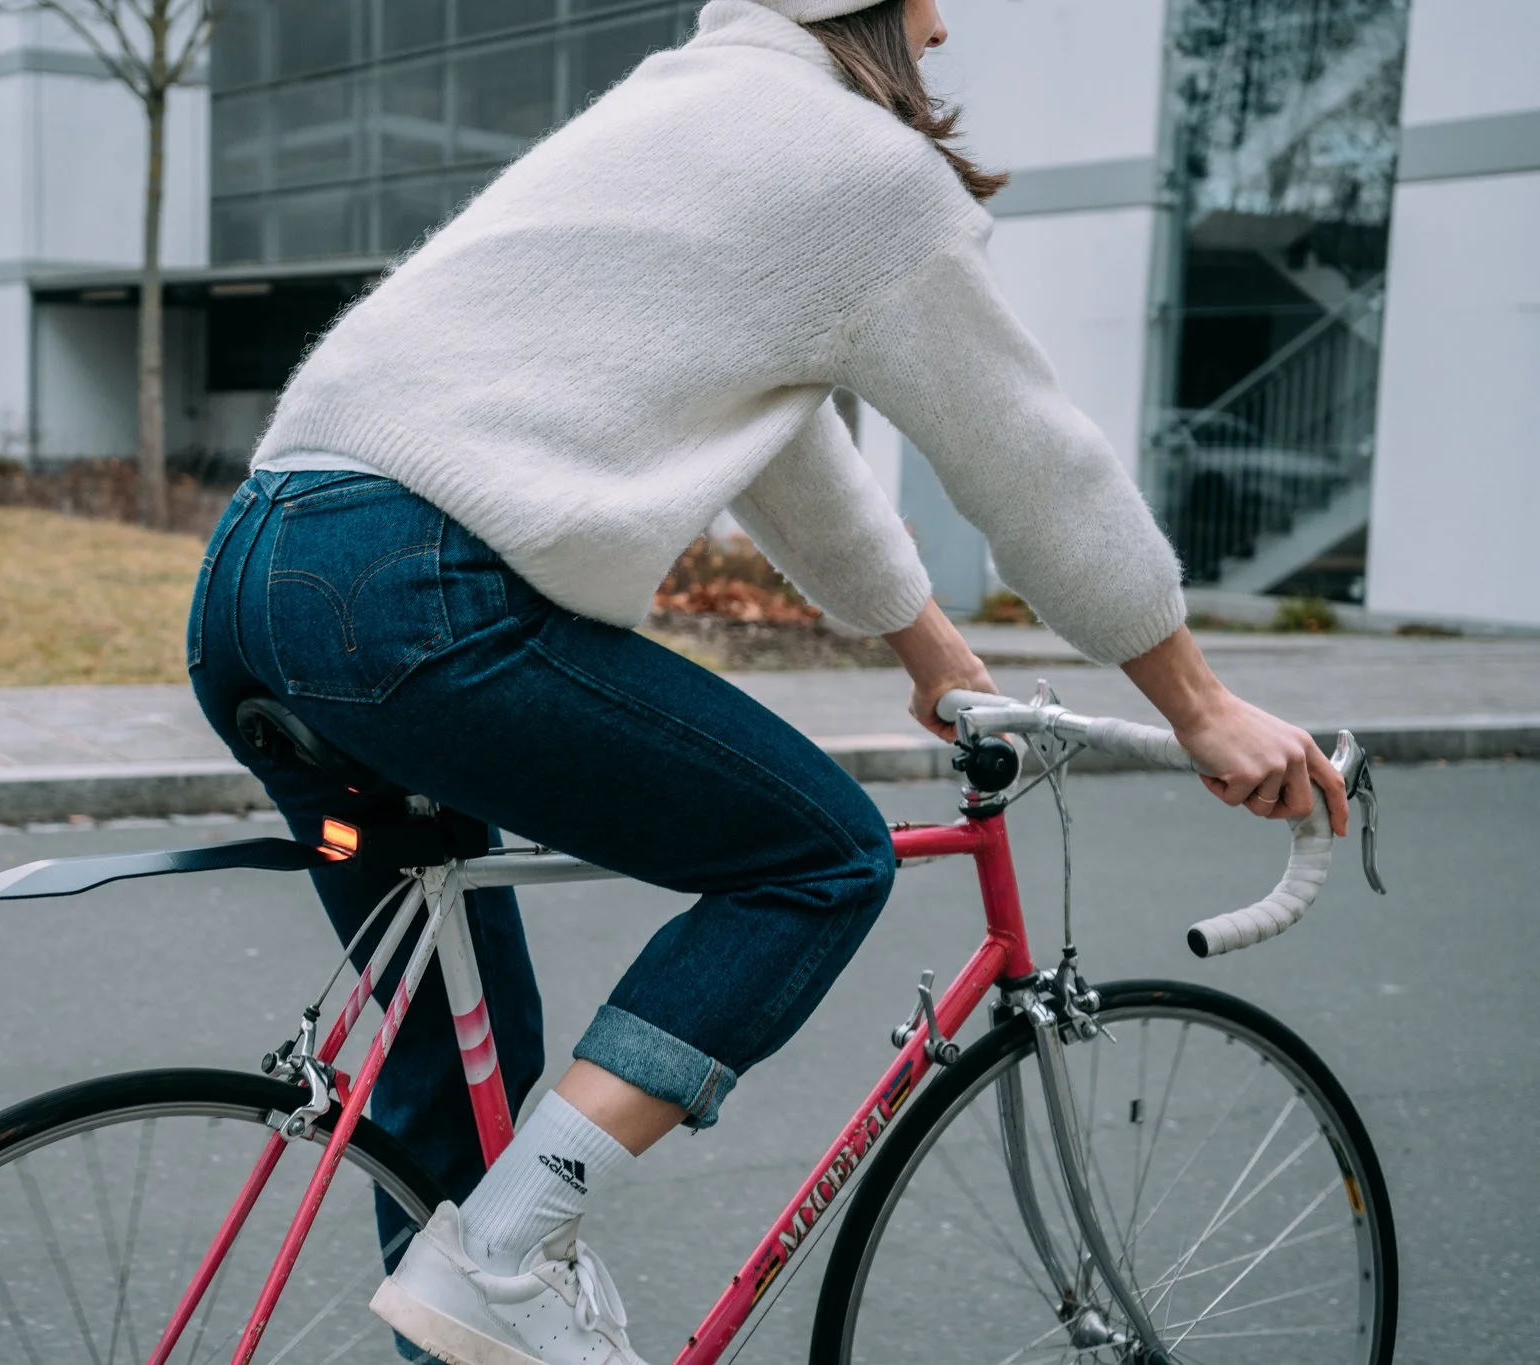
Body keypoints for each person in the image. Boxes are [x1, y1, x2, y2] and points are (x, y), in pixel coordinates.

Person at [184, 0, 1350, 1360]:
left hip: (255, 582)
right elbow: (1034, 463)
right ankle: (510, 1254)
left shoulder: (672, 111)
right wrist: (1198, 703)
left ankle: (487, 1258)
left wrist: (934, 656)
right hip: (409, 602)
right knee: (818, 857)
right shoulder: (859, 170)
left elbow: (785, 449)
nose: (946, 24)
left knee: (460, 1099)